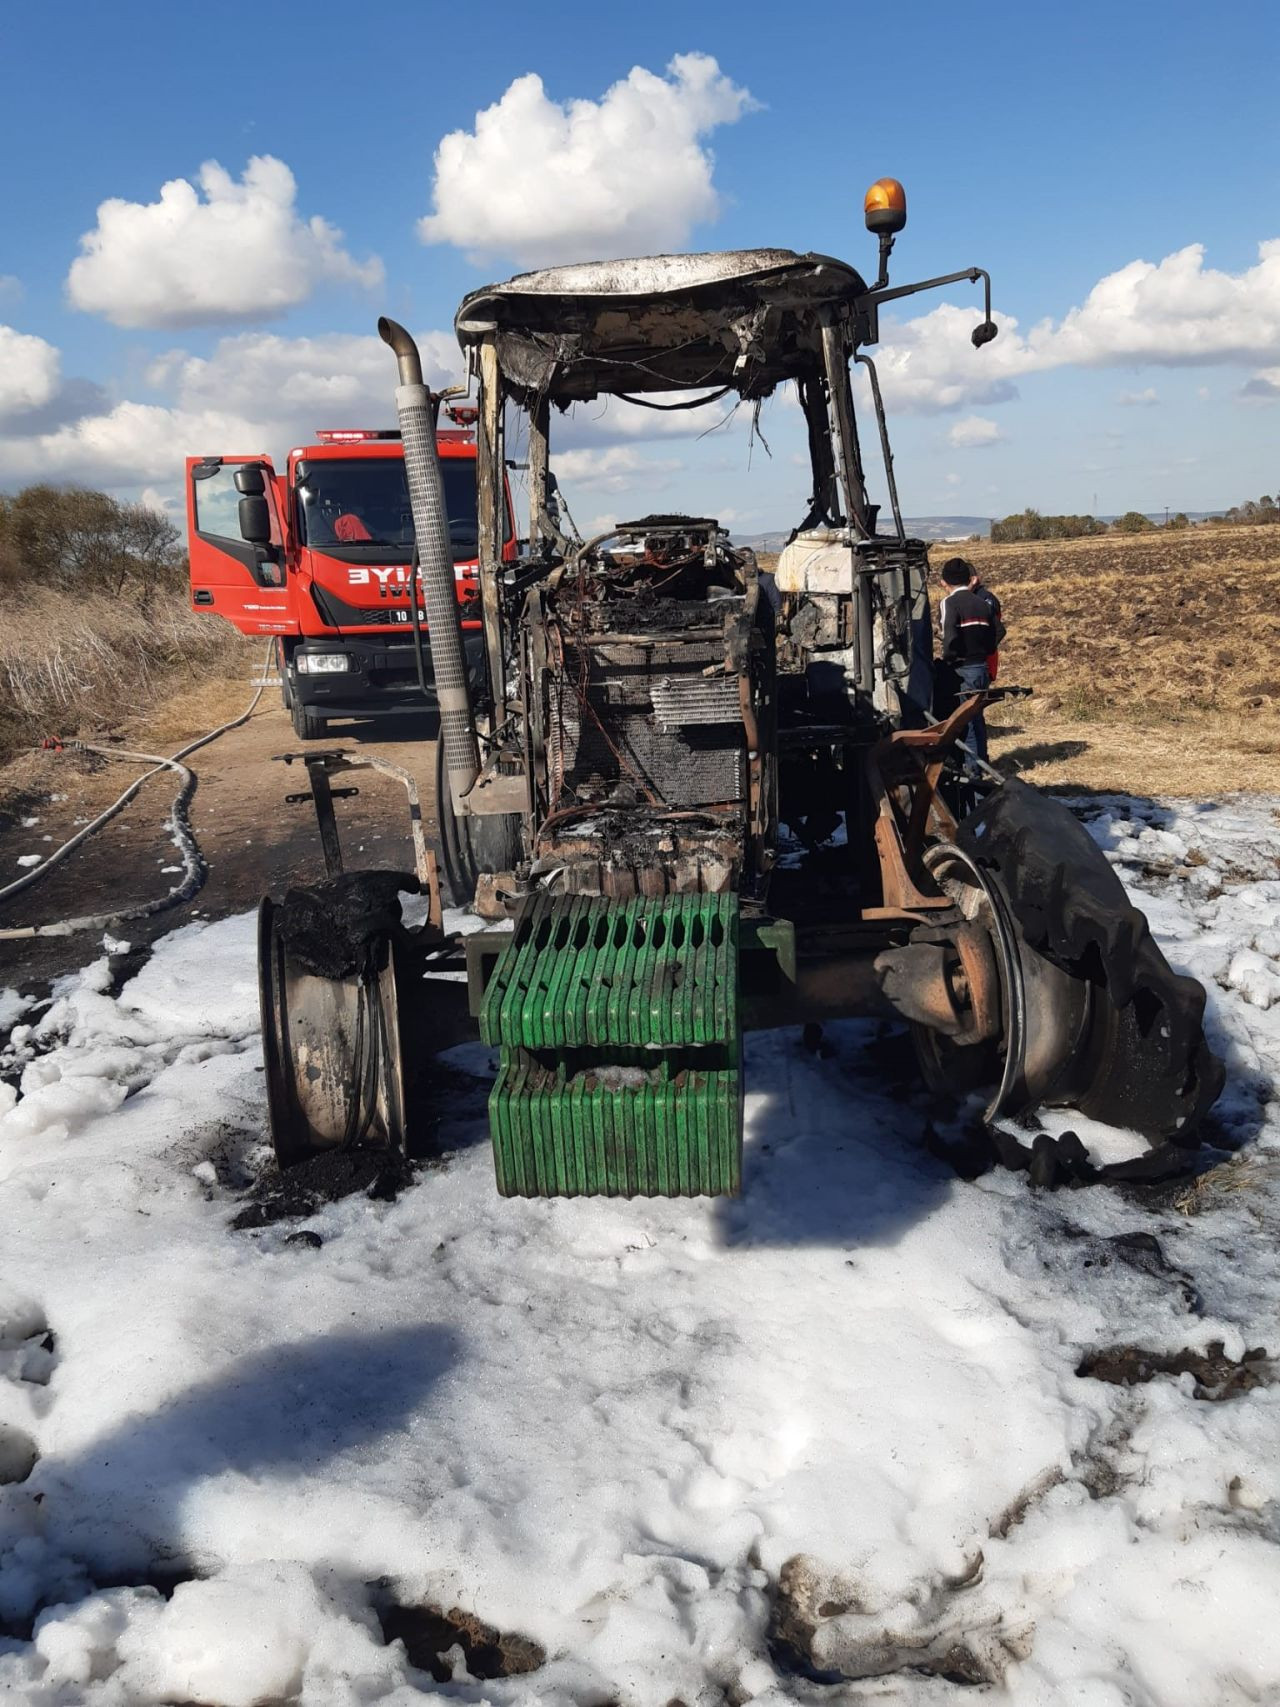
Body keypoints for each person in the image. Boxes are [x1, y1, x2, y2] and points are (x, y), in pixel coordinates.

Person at [938, 557, 1004, 762]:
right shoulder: (982, 601)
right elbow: (999, 630)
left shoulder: (949, 602)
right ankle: (982, 761)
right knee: (976, 718)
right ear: (969, 579)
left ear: (944, 583)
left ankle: (973, 771)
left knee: (964, 722)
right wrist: (985, 650)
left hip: (964, 669)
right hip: (981, 667)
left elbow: (950, 635)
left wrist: (948, 659)